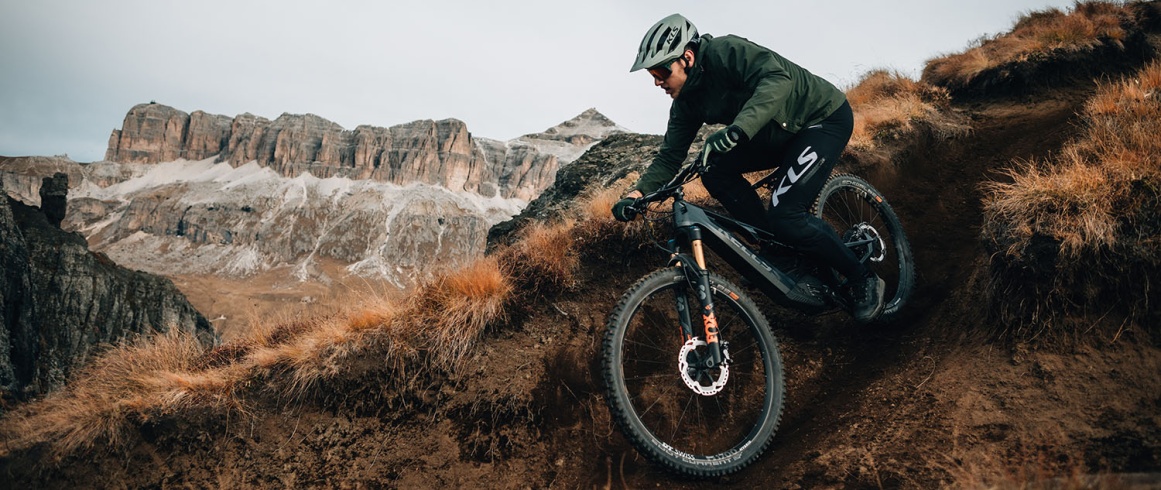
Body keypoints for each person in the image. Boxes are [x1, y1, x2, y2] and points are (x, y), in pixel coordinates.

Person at [611, 13, 885, 323]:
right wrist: (637, 194)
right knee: (713, 169)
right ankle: (779, 248)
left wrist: (737, 130)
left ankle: (863, 278)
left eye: (661, 71)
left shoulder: (726, 51)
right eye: (652, 75)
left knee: (787, 215)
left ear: (687, 57)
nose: (657, 81)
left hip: (820, 120)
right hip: (774, 137)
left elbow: (778, 79)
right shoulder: (686, 103)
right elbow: (669, 156)